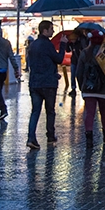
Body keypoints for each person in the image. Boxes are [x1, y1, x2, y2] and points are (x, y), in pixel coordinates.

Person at [26, 20, 67, 150]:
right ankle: (50, 135)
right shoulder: (47, 45)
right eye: (51, 29)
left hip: (35, 83)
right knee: (50, 111)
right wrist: (63, 45)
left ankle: (31, 138)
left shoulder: (33, 45)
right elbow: (59, 59)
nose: (53, 31)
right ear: (45, 30)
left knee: (35, 111)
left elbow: (39, 63)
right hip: (48, 84)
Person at [76, 30, 105, 147]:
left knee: (89, 113)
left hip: (88, 88)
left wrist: (82, 85)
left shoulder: (85, 53)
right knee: (104, 112)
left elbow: (79, 72)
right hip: (104, 89)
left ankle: (89, 137)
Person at [67, 29, 88, 97]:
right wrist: (67, 43)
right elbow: (67, 50)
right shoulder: (72, 44)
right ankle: (74, 88)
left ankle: (81, 87)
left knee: (79, 75)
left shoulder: (81, 42)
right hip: (74, 61)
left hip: (79, 61)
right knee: (73, 75)